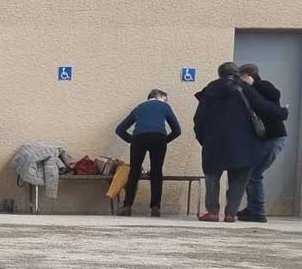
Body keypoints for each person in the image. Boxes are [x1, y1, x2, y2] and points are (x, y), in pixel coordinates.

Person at [191, 61, 279, 222]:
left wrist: (203, 138)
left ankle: (212, 212)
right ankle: (231, 213)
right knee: (239, 178)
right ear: (237, 73)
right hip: (242, 142)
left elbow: (199, 118)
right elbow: (263, 106)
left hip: (214, 142)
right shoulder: (244, 88)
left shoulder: (210, 90)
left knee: (212, 177)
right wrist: (283, 112)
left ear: (220, 74)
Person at [234, 64, 290, 223]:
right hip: (265, 138)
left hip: (273, 138)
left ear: (247, 75)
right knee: (251, 173)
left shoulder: (263, 85)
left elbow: (275, 94)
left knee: (254, 174)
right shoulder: (248, 90)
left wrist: (252, 84)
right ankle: (253, 208)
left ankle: (257, 211)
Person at [113, 88, 181, 217]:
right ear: (159, 97)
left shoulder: (139, 107)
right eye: (165, 99)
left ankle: (127, 206)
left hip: (139, 138)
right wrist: (164, 141)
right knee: (156, 171)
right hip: (159, 138)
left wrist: (132, 141)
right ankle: (155, 207)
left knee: (134, 172)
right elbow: (177, 130)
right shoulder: (165, 106)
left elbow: (120, 129)